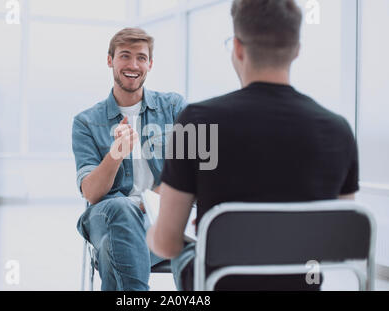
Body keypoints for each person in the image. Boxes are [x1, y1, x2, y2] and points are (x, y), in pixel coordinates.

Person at [147, 0, 359, 291]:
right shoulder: (338, 130)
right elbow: (340, 241)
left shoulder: (197, 121)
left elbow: (167, 243)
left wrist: (178, 232)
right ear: (296, 49)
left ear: (237, 47)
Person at [72, 28, 186, 291]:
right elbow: (91, 191)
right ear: (110, 60)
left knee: (118, 250)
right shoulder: (86, 122)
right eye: (125, 56)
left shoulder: (173, 107)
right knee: (122, 210)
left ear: (150, 64)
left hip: (163, 219)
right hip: (109, 217)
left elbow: (192, 172)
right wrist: (115, 154)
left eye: (141, 58)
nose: (133, 65)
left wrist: (150, 203)